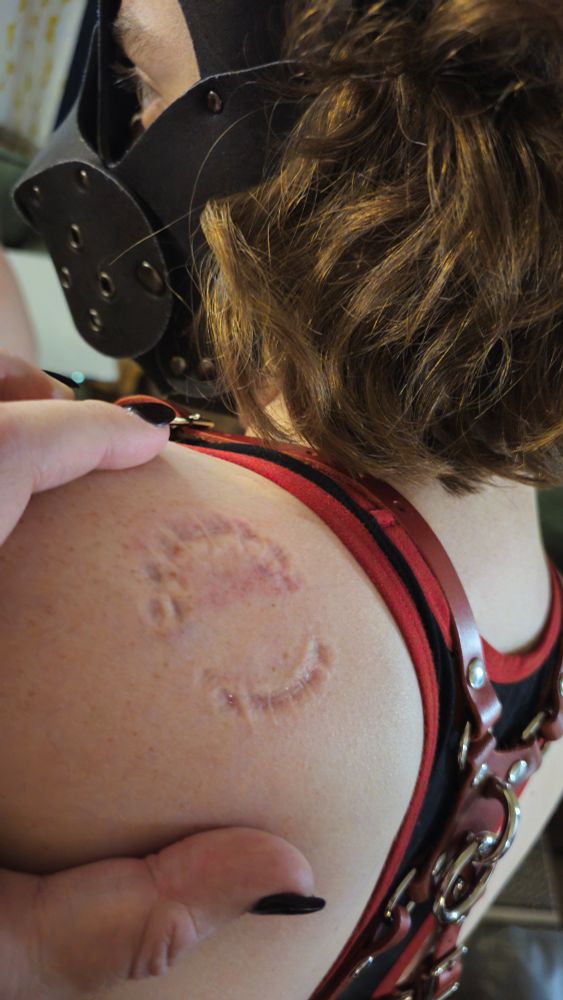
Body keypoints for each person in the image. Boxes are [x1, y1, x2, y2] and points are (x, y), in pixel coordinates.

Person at [1, 2, 562, 999]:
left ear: (307, 148)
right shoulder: (522, 589)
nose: (121, 136)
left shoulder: (63, 565)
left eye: (142, 84)